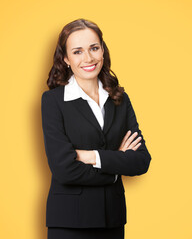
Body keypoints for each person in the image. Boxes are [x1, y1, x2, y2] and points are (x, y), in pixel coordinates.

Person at [41, 18, 152, 239]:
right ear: (65, 58)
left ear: (103, 50)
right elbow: (63, 168)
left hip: (112, 219)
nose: (88, 58)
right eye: (77, 52)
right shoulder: (53, 101)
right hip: (69, 221)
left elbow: (141, 160)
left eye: (94, 48)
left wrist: (91, 156)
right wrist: (116, 163)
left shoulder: (120, 98)